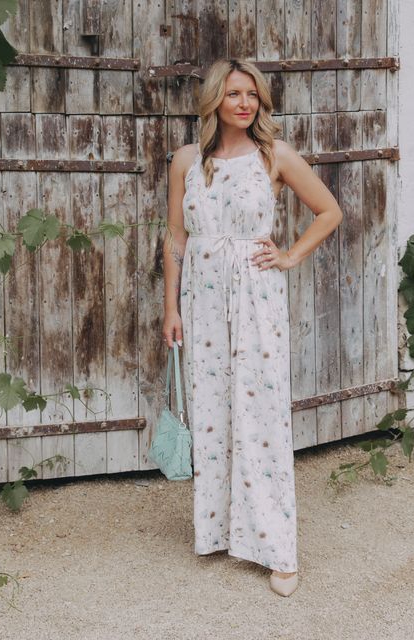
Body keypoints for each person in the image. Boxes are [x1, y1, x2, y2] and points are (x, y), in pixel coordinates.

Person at [162, 58, 343, 597]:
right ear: (214, 100)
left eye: (252, 95)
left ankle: (277, 549)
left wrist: (289, 256)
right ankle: (221, 531)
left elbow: (329, 211)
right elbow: (175, 236)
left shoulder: (274, 156)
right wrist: (171, 308)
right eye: (234, 94)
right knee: (212, 413)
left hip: (256, 297)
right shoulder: (186, 161)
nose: (244, 103)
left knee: (260, 413)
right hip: (202, 299)